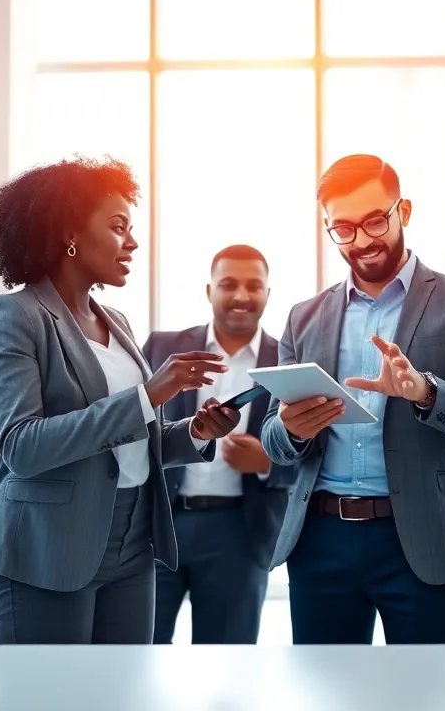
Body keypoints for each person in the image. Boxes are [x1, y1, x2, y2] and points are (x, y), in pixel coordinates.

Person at [0, 156, 241, 645]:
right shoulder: (14, 316)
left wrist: (195, 432)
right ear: (70, 232)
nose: (132, 242)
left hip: (133, 540)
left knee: (122, 693)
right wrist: (149, 393)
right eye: (118, 228)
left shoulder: (117, 321)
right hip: (47, 546)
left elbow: (131, 442)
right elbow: (22, 447)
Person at [260, 154, 445, 645]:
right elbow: (274, 441)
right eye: (344, 229)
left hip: (421, 536)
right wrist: (293, 427)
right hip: (322, 539)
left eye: (375, 220)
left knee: (428, 693)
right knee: (325, 694)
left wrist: (424, 391)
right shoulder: (302, 317)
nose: (363, 240)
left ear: (405, 211)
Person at [142, 244, 294, 645]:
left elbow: (318, 451)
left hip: (241, 533)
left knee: (228, 667)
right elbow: (130, 428)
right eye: (228, 284)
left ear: (267, 294)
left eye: (253, 286)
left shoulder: (289, 361)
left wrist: (267, 461)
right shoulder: (163, 348)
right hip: (160, 527)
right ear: (209, 291)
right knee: (139, 655)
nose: (242, 295)